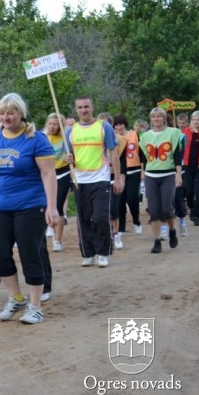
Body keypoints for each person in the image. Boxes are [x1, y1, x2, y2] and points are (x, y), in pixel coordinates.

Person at [0, 93, 57, 324]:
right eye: (3, 112)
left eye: (12, 112)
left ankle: (35, 306)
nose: (7, 117)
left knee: (30, 253)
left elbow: (48, 173)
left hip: (30, 205)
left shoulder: (36, 139)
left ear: (21, 114)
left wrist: (51, 206)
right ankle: (16, 297)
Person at [64, 96, 123, 268]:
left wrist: (117, 179)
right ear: (76, 110)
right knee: (83, 218)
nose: (83, 110)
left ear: (92, 107)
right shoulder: (70, 130)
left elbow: (113, 153)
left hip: (101, 178)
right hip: (79, 180)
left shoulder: (103, 127)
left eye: (86, 107)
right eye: (80, 107)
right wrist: (68, 159)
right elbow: (68, 157)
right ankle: (88, 253)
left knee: (99, 217)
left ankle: (103, 252)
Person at [139, 107, 183, 253]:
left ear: (164, 118)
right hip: (151, 174)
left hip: (168, 173)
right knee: (153, 210)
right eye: (153, 117)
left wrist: (178, 174)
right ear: (150, 119)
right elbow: (143, 157)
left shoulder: (173, 133)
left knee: (166, 208)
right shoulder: (145, 136)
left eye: (159, 117)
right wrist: (143, 173)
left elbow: (177, 156)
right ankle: (157, 241)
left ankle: (171, 230)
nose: (156, 119)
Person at [98, 112, 128, 250]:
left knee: (113, 207)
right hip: (99, 175)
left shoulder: (120, 140)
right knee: (101, 209)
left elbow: (122, 161)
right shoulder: (95, 140)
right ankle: (106, 234)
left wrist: (120, 179)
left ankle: (116, 234)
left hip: (113, 175)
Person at [44, 113, 71, 252]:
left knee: (58, 205)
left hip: (63, 173)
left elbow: (73, 153)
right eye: (50, 123)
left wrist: (70, 157)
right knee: (43, 205)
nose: (52, 126)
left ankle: (57, 240)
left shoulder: (66, 138)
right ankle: (47, 229)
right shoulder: (42, 138)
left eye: (55, 124)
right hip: (46, 175)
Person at [113, 114, 143, 236]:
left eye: (121, 124)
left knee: (132, 199)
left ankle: (136, 221)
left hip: (134, 170)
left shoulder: (134, 135)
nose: (119, 127)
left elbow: (141, 153)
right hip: (119, 172)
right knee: (120, 201)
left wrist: (143, 170)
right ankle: (121, 228)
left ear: (125, 124)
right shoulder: (113, 138)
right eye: (116, 125)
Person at [182, 111, 199, 226]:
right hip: (188, 165)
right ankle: (191, 207)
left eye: (198, 120)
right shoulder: (186, 132)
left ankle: (197, 215)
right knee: (189, 191)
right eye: (194, 120)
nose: (196, 122)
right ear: (191, 121)